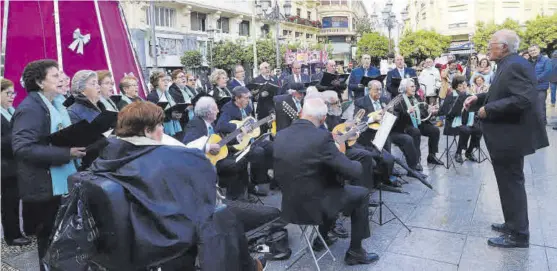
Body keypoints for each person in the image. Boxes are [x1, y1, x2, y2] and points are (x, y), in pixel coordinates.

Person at [88, 101, 266, 270]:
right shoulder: (174, 156)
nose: (163, 130)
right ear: (148, 131)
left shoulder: (106, 156)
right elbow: (206, 190)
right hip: (167, 235)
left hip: (134, 234)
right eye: (159, 126)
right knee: (220, 216)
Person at [464, 29, 548, 248]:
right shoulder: (507, 64)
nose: (488, 48)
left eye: (491, 44)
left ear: (503, 47)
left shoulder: (516, 64)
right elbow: (502, 93)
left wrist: (488, 109)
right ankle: (512, 223)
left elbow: (522, 99)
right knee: (507, 183)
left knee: (511, 184)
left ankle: (519, 234)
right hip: (505, 137)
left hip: (510, 138)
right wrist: (479, 98)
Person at [274, 98, 379, 266]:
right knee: (360, 194)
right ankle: (355, 252)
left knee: (332, 186)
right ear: (323, 119)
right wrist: (358, 163)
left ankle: (321, 237)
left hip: (290, 205)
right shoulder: (322, 137)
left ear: (302, 113)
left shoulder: (280, 135)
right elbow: (352, 170)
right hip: (313, 206)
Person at [12, 59, 86, 270]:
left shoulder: (55, 104)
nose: (61, 78)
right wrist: (66, 153)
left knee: (61, 239)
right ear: (39, 81)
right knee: (49, 240)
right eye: (55, 75)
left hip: (62, 182)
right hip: (45, 187)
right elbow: (23, 148)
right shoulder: (30, 109)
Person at [215, 86, 274, 195]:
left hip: (249, 139)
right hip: (236, 144)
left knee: (271, 146)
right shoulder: (228, 108)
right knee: (258, 152)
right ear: (237, 99)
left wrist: (266, 122)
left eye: (249, 98)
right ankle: (253, 184)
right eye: (245, 98)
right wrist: (239, 128)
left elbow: (252, 124)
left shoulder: (247, 108)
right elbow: (220, 126)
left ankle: (265, 178)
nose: (248, 100)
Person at [1, 78, 31, 246]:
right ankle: (12, 235)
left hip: (17, 163)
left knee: (17, 200)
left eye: (13, 93)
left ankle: (19, 231)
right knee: (9, 202)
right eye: (8, 93)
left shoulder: (11, 110)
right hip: (6, 166)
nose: (12, 97)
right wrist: (19, 136)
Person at [392, 78, 443, 168]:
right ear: (405, 88)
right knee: (415, 132)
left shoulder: (416, 97)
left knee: (435, 130)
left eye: (415, 86)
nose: (414, 88)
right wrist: (407, 112)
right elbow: (397, 117)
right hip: (405, 125)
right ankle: (416, 160)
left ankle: (432, 156)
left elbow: (423, 113)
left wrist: (429, 111)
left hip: (418, 123)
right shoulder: (399, 100)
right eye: (411, 86)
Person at [439, 75, 482, 163]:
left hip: (466, 120)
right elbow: (446, 112)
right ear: (456, 87)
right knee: (465, 130)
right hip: (453, 122)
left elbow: (475, 108)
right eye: (460, 86)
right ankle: (458, 153)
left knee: (479, 129)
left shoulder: (468, 95)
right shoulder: (451, 96)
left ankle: (469, 152)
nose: (463, 87)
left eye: (464, 85)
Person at [147, 71, 183, 138]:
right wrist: (171, 115)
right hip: (163, 127)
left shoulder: (168, 94)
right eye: (163, 80)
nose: (166, 82)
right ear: (156, 83)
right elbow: (153, 115)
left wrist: (178, 113)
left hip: (174, 125)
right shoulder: (152, 96)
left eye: (167, 80)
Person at [527, 44, 553, 124]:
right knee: (531, 106)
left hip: (541, 87)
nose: (533, 52)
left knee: (540, 106)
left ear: (538, 50)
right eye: (531, 51)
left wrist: (534, 79)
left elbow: (547, 72)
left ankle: (542, 123)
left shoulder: (546, 60)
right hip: (530, 87)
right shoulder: (528, 61)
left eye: (534, 50)